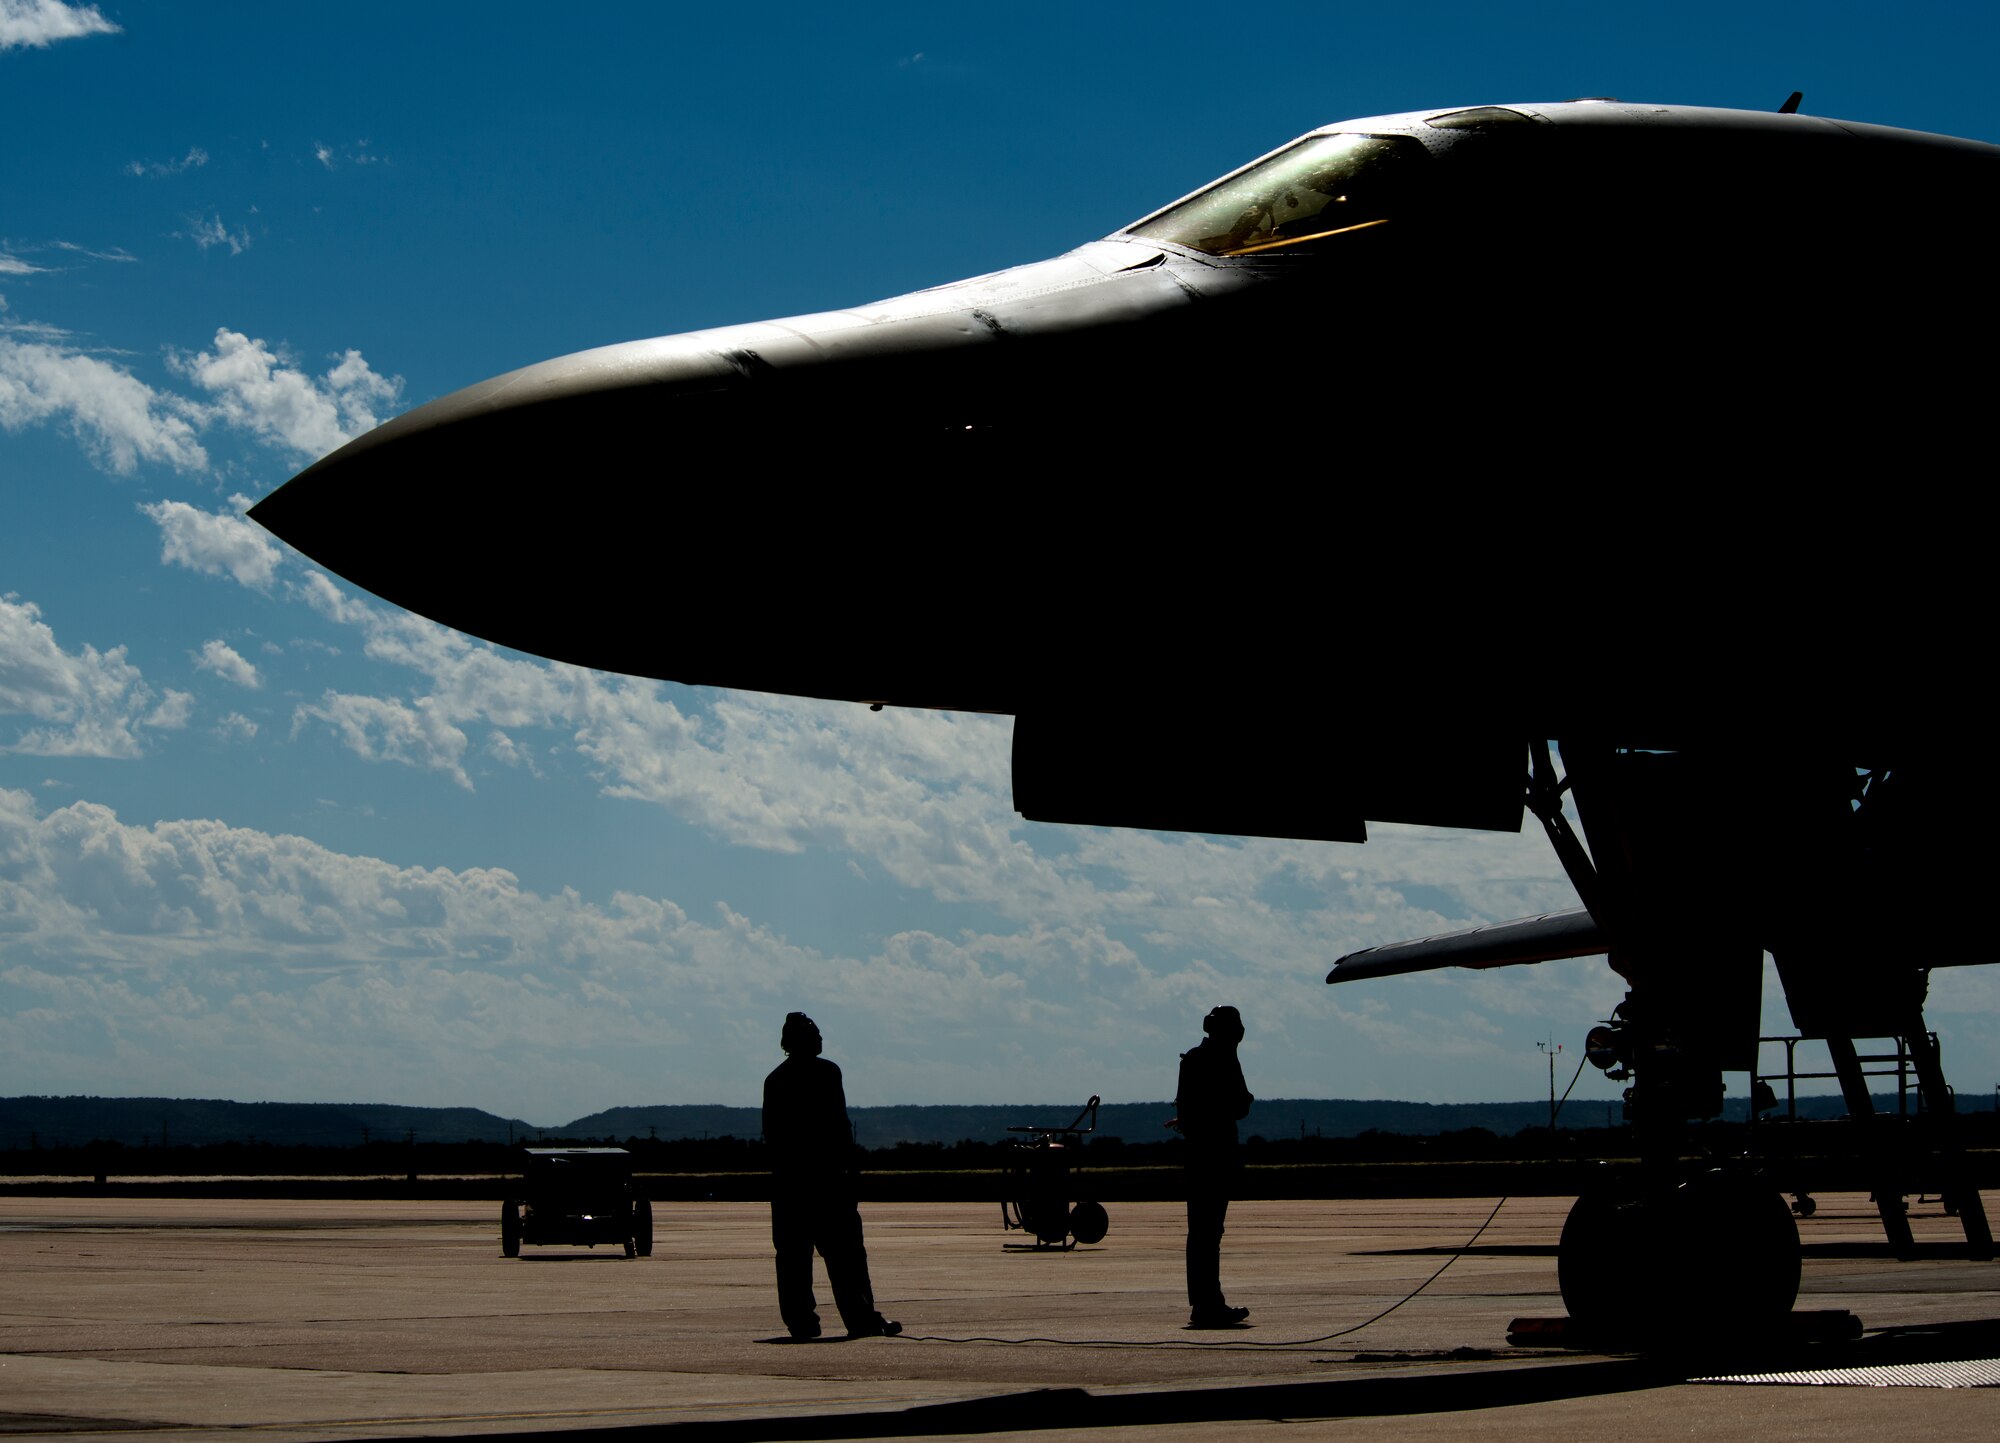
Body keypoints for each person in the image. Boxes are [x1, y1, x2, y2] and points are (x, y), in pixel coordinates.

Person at [762, 1012, 900, 1341]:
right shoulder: (826, 1074)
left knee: (796, 1259)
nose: (820, 1040)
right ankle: (860, 1317)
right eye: (815, 1034)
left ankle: (802, 1322)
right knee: (846, 1256)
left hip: (792, 1184)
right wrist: (848, 1172)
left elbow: (773, 1136)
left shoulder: (776, 1079)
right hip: (824, 1183)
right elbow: (839, 1127)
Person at [1170, 1004, 1253, 1327]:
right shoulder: (1222, 1059)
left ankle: (1205, 1301)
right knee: (1208, 1233)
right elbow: (1238, 1104)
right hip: (1214, 1155)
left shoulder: (1193, 1059)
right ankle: (1207, 1304)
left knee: (1202, 1233)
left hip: (1199, 1155)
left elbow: (1189, 1109)